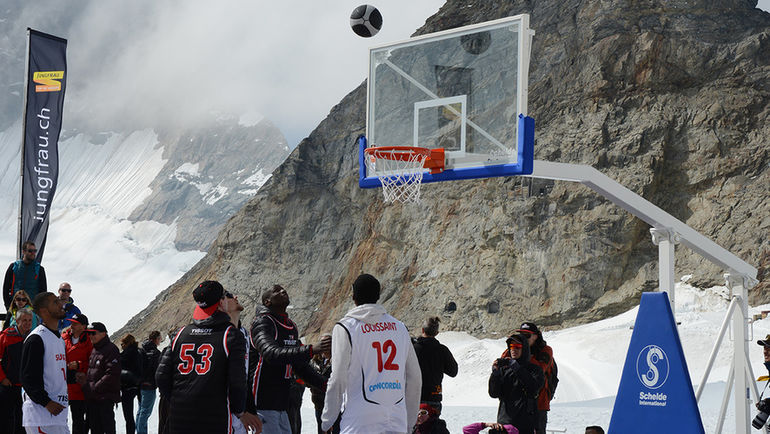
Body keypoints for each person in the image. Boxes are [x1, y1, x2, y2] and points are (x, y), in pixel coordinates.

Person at [156, 280, 261, 434]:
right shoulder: (230, 336)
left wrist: (180, 401)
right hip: (214, 419)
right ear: (221, 303)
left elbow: (161, 377)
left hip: (180, 420)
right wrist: (241, 412)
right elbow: (237, 382)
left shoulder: (180, 334)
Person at [321, 274, 422, 433]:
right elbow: (415, 377)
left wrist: (328, 419)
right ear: (378, 296)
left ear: (353, 296)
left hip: (359, 419)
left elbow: (338, 377)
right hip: (396, 416)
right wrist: (409, 422)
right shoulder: (400, 327)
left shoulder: (346, 327)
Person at [247, 284, 329, 434]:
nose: (283, 291)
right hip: (262, 404)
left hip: (283, 404)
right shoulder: (262, 322)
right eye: (276, 291)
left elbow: (300, 366)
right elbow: (271, 354)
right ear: (267, 302)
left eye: (283, 289)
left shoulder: (291, 326)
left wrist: (326, 385)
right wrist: (311, 349)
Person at [20, 292, 68, 434]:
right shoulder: (36, 338)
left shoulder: (59, 339)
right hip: (41, 416)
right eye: (55, 302)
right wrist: (46, 402)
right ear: (44, 311)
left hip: (58, 416)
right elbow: (27, 378)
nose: (61, 304)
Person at [488, 334, 544, 434]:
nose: (514, 350)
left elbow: (533, 388)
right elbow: (493, 393)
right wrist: (495, 375)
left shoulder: (534, 370)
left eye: (518, 347)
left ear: (525, 349)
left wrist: (518, 369)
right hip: (505, 422)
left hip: (526, 424)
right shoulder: (504, 370)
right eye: (512, 347)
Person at [79, 322, 121, 434]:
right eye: (89, 334)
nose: (91, 336)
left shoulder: (111, 349)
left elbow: (112, 373)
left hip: (105, 399)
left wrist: (94, 387)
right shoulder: (94, 349)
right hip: (93, 399)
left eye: (93, 333)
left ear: (104, 334)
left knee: (107, 429)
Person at [515, 322, 556, 434]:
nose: (523, 338)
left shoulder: (546, 350)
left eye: (527, 336)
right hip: (517, 404)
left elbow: (539, 369)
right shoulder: (515, 348)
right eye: (521, 335)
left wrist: (524, 354)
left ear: (535, 336)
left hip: (538, 404)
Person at [413, 316, 458, 412]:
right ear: (437, 333)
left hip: (415, 397)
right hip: (434, 397)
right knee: (433, 426)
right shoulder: (442, 350)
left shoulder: (413, 349)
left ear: (422, 330)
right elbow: (453, 371)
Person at [221, 291, 251, 434]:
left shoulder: (244, 334)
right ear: (222, 303)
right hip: (222, 409)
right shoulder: (218, 334)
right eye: (230, 296)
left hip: (240, 407)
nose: (236, 298)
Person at [0, 308, 33, 434]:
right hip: (8, 385)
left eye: (30, 320)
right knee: (5, 420)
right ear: (17, 321)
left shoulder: (34, 336)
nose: (27, 323)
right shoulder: (6, 336)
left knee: (24, 421)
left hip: (26, 388)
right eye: (24, 320)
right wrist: (2, 378)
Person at [62, 313, 93, 434]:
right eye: (72, 322)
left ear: (83, 326)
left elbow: (93, 362)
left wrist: (79, 364)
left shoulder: (90, 340)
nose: (72, 325)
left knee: (78, 419)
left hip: (80, 386)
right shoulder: (64, 337)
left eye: (76, 323)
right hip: (64, 384)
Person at [3, 241, 47, 309]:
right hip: (15, 307)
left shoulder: (39, 269)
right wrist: (8, 305)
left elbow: (43, 291)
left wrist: (39, 308)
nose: (33, 253)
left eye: (34, 251)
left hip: (32, 308)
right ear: (23, 252)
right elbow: (6, 287)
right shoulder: (13, 267)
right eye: (30, 251)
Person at [136, 330, 161, 434]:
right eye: (160, 338)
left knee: (140, 411)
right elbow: (158, 371)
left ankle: (140, 431)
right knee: (145, 412)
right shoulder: (156, 353)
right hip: (149, 386)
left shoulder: (141, 350)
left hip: (140, 385)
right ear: (156, 339)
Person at [308, 352, 339, 434]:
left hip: (334, 404)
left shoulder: (337, 359)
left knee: (336, 429)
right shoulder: (314, 361)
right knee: (322, 430)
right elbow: (307, 380)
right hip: (319, 403)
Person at [119, 334, 143, 434]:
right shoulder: (140, 352)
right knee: (142, 413)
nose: (121, 346)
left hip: (127, 387)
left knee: (128, 416)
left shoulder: (125, 355)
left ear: (127, 343)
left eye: (122, 343)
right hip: (139, 385)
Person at [157, 327, 178, 434]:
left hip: (167, 396)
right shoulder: (177, 350)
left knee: (165, 425)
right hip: (173, 396)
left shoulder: (166, 351)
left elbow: (160, 376)